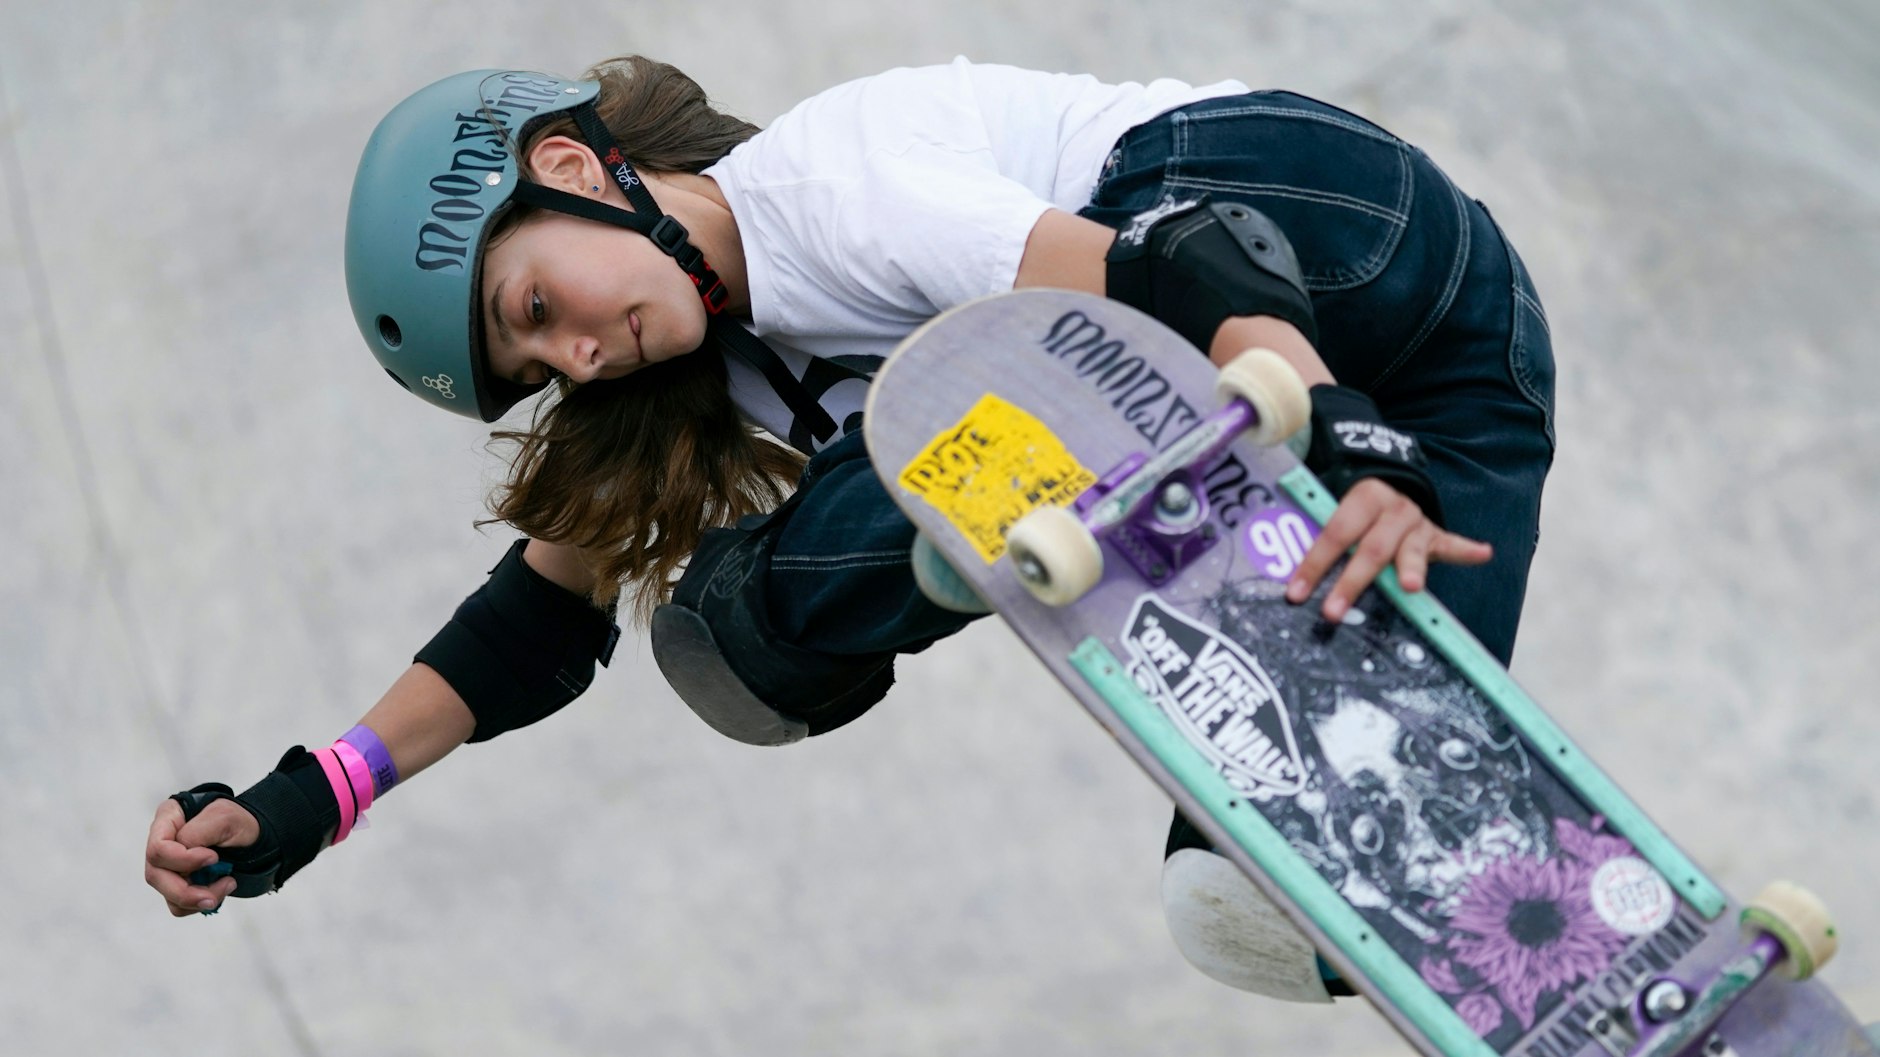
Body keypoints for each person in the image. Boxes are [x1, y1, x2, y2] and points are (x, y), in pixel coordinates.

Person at [142, 55, 1555, 1003]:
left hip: (1305, 221)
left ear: (571, 165)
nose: (578, 354)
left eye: (538, 305)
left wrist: (1339, 429)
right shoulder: (677, 375)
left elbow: (1177, 267)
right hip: (1475, 360)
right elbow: (530, 625)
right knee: (1280, 895)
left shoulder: (833, 194)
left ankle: (990, 492)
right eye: (538, 366)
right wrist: (312, 797)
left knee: (749, 612)